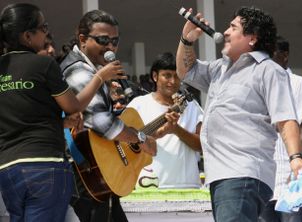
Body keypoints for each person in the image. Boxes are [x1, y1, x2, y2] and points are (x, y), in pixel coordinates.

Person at [176, 6, 302, 222]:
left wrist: (296, 158)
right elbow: (186, 71)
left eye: (233, 27)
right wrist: (187, 40)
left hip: (242, 172)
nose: (227, 32)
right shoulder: (219, 69)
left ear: (252, 38)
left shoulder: (268, 70)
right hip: (222, 174)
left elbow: (286, 119)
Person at [0, 3, 124, 221]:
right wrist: (99, 78)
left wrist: (62, 124)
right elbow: (74, 106)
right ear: (28, 36)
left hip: (8, 168)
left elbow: (22, 121)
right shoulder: (43, 65)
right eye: (44, 27)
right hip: (45, 165)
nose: (47, 33)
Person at [59, 10, 157, 222]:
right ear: (83, 40)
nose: (110, 47)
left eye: (115, 41)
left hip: (95, 172)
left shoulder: (92, 71)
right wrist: (141, 138)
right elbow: (104, 124)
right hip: (81, 175)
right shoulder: (79, 71)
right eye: (103, 40)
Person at [259, 36, 302, 222]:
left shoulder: (300, 83)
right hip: (265, 183)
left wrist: (297, 164)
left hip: (291, 182)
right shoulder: (260, 86)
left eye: (270, 55)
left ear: (284, 56)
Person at [127, 52, 203, 189]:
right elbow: (126, 143)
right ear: (155, 76)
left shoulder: (192, 106)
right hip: (146, 187)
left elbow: (203, 145)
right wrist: (160, 132)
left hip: (187, 186)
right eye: (167, 75)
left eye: (177, 76)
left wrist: (176, 130)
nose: (172, 81)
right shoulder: (137, 105)